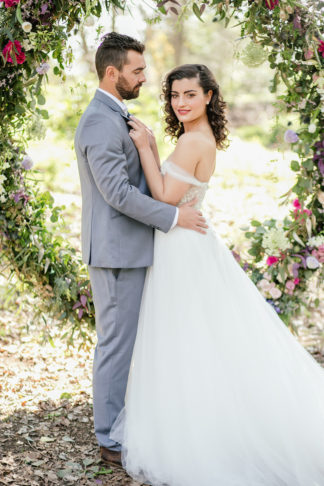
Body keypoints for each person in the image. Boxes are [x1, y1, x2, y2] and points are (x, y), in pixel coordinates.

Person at [110, 64, 324, 485]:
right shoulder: (197, 138)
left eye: (190, 94)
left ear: (209, 96)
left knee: (186, 334)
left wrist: (146, 149)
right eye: (174, 95)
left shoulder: (193, 140)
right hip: (186, 241)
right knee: (196, 333)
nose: (181, 102)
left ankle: (195, 425)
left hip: (182, 247)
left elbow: (164, 197)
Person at [74, 35, 207, 466]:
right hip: (116, 253)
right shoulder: (98, 121)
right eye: (137, 71)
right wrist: (173, 218)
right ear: (112, 73)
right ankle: (110, 437)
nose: (144, 78)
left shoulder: (116, 115)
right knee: (116, 345)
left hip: (131, 250)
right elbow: (116, 193)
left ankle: (122, 425)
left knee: (126, 343)